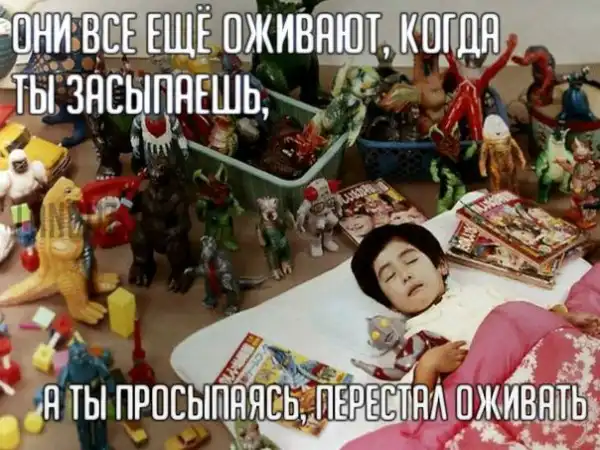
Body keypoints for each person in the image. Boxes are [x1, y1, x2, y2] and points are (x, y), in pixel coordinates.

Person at [351, 223, 600, 392]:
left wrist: (562, 319)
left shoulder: (478, 292)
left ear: (441, 265)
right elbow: (411, 404)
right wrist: (428, 366)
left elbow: (525, 314)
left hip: (546, 355)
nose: (405, 275)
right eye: (390, 276)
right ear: (392, 305)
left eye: (411, 260)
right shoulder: (417, 337)